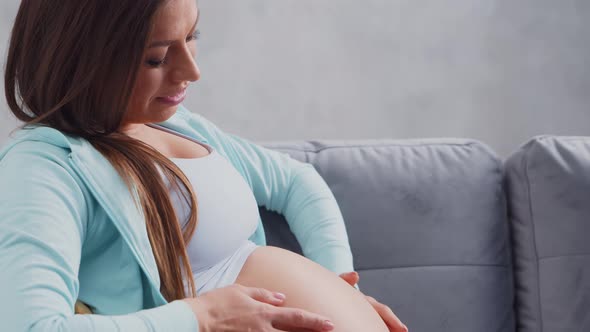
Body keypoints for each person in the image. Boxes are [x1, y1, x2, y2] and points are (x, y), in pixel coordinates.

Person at [0, 0, 408, 331]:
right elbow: (32, 326)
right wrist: (201, 317)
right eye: (156, 59)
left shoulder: (181, 126)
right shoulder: (43, 167)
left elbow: (298, 182)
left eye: (191, 36)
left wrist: (341, 284)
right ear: (80, 60)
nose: (192, 71)